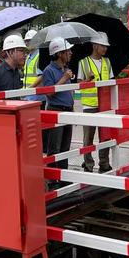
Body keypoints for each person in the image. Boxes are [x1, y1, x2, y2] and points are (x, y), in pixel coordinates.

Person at [77, 31, 113, 172]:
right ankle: (88, 164)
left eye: (106, 46)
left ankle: (104, 163)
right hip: (89, 105)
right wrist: (88, 80)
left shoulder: (107, 62)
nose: (105, 48)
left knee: (105, 136)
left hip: (105, 105)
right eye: (102, 45)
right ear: (94, 45)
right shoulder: (83, 63)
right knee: (88, 138)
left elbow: (111, 81)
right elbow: (79, 84)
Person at [41, 37, 74, 186]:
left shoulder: (65, 69)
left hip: (67, 110)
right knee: (54, 147)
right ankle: (52, 178)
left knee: (65, 146)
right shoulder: (49, 71)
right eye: (68, 51)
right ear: (59, 53)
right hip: (55, 110)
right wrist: (64, 78)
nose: (71, 53)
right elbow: (49, 93)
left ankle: (63, 176)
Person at [22, 29, 47, 106]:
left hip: (37, 97)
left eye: (29, 41)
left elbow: (41, 76)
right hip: (28, 97)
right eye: (26, 41)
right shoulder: (28, 57)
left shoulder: (41, 55)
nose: (27, 43)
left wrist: (28, 90)